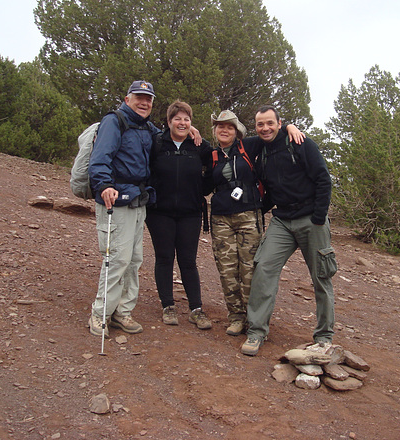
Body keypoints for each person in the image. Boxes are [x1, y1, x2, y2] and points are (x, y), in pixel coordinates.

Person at [240, 105, 338, 356]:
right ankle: (256, 331)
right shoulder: (259, 148)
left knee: (321, 277)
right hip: (282, 219)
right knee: (263, 268)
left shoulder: (300, 143)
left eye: (270, 123)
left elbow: (323, 179)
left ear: (279, 123)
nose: (265, 128)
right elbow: (228, 137)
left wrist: (318, 217)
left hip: (310, 220)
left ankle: (324, 337)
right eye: (260, 124)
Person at [209, 110, 306, 336]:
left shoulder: (248, 146)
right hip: (221, 217)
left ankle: (254, 319)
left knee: (250, 269)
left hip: (249, 216)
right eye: (220, 126)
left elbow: (269, 132)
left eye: (229, 127)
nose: (224, 130)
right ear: (215, 130)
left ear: (237, 131)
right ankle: (235, 317)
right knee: (227, 270)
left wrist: (288, 127)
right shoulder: (210, 154)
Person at [87, 80, 161, 338]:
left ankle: (122, 312)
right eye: (139, 97)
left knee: (133, 261)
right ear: (127, 98)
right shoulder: (114, 121)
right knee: (116, 259)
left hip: (138, 201)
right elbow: (100, 159)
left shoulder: (147, 128)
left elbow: (168, 139)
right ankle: (100, 314)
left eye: (148, 99)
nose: (144, 102)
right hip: (115, 201)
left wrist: (191, 129)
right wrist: (104, 185)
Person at [145, 100, 214, 329]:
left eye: (187, 119)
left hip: (190, 213)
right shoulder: (157, 143)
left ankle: (196, 309)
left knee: (188, 261)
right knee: (164, 258)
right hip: (159, 213)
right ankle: (168, 306)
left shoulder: (199, 146)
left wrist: (202, 189)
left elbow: (216, 165)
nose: (182, 123)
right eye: (178, 119)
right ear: (169, 121)